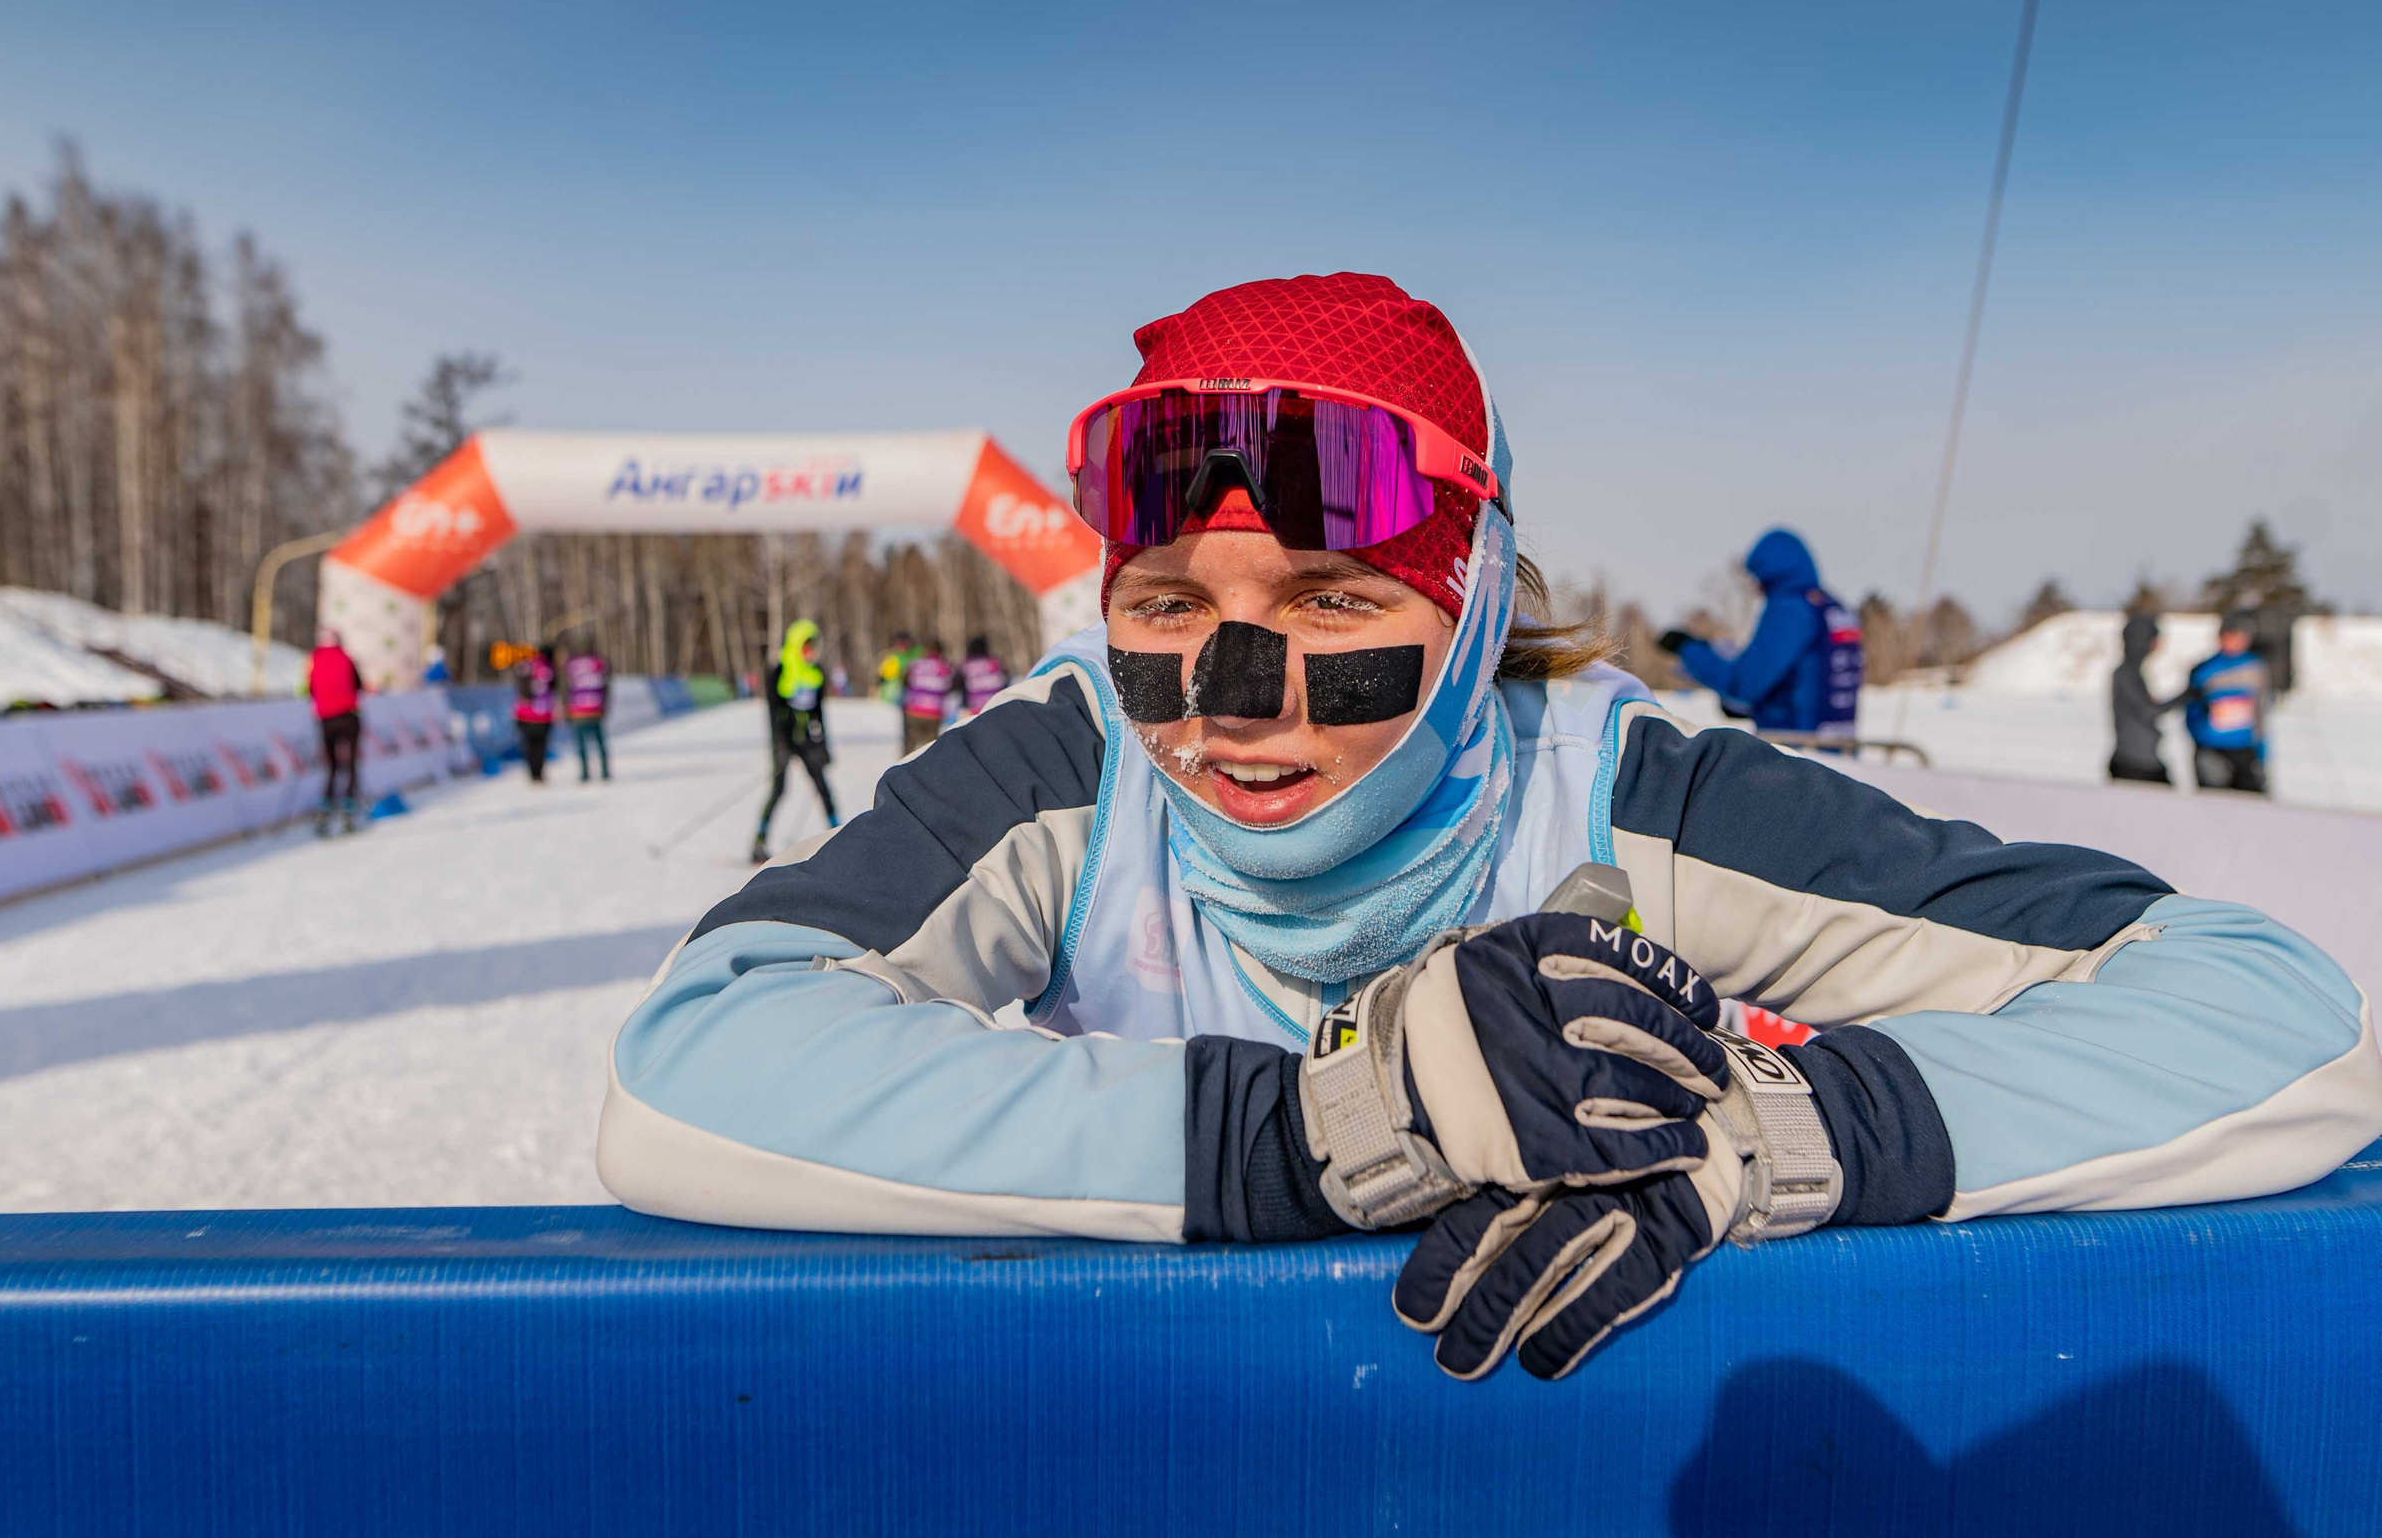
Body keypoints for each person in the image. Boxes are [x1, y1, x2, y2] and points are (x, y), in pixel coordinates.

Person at [599, 272, 2380, 1386]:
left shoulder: (1628, 793)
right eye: (1163, 595)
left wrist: (1783, 1131)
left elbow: (2277, 1013)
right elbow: (694, 1061)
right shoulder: (1073, 768)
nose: (1227, 698)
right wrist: (1311, 1134)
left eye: (1323, 594)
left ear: (1474, 616)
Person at [1657, 530, 1861, 736]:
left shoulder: (1791, 610)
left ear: (1773, 574)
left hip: (1799, 753)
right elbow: (1807, 682)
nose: (1757, 589)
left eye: (1759, 579)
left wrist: (1687, 648)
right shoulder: (1831, 608)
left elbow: (1744, 683)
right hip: (1837, 747)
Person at [752, 618, 841, 865]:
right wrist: (779, 744)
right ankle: (759, 840)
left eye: (814, 646)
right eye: (807, 646)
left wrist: (823, 744)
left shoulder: (816, 673)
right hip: (784, 739)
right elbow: (772, 712)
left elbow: (819, 713)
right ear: (797, 644)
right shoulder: (779, 671)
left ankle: (841, 834)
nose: (811, 652)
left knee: (823, 788)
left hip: (807, 740)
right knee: (779, 790)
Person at [2187, 611, 2273, 794]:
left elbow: (2261, 709)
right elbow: (2191, 708)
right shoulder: (2203, 670)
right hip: (2212, 748)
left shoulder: (2256, 668)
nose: (2236, 640)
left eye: (2241, 636)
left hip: (2245, 749)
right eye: (2231, 635)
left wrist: (2262, 750)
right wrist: (2201, 737)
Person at [305, 628, 366, 836]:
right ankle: (349, 803)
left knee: (331, 765)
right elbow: (359, 684)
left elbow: (309, 688)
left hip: (325, 719)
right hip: (348, 716)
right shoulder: (347, 659)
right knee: (350, 762)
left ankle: (326, 803)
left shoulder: (314, 660)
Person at [2108, 612, 2177, 786]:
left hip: (2143, 761)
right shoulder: (2127, 673)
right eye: (2154, 638)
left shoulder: (2133, 672)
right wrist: (2189, 695)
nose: (2158, 644)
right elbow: (2149, 710)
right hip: (2135, 764)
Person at [565, 643, 612, 782]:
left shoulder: (571, 664)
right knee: (600, 743)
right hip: (595, 709)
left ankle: (585, 773)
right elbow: (605, 685)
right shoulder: (598, 663)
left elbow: (566, 687)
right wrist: (604, 705)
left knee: (581, 745)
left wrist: (566, 707)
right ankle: (605, 772)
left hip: (578, 711)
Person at [900, 637, 955, 755]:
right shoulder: (946, 666)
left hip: (914, 710)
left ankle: (901, 768)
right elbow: (951, 687)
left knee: (909, 746)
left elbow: (904, 682)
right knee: (930, 749)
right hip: (934, 713)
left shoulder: (916, 664)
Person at [513, 646, 557, 783]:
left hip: (524, 714)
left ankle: (533, 773)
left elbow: (521, 689)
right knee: (541, 745)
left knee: (530, 745)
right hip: (543, 714)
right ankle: (538, 773)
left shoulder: (525, 666)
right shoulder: (549, 668)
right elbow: (553, 688)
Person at [958, 634, 1011, 719]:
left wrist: (964, 705)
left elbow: (962, 687)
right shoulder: (995, 662)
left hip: (975, 709)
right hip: (995, 707)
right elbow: (1005, 682)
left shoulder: (967, 665)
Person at [877, 632, 917, 704]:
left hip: (909, 696)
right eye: (900, 643)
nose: (902, 645)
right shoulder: (891, 657)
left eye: (905, 643)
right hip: (892, 695)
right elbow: (882, 677)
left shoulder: (914, 655)